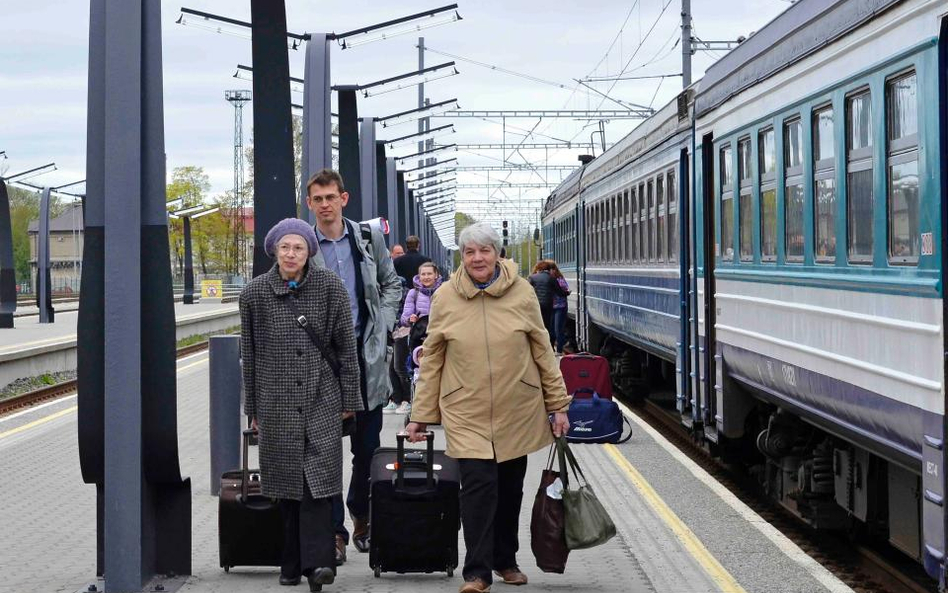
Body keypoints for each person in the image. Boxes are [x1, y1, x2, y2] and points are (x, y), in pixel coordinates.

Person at [406, 223, 571, 593]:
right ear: (461, 258)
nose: (477, 258)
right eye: (469, 252)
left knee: (510, 489)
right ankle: (476, 572)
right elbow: (432, 358)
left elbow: (543, 349)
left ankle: (505, 560)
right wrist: (420, 415)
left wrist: (558, 403)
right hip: (466, 408)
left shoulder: (522, 292)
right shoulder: (446, 296)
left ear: (497, 254)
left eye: (484, 251)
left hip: (517, 406)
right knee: (478, 489)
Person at [240, 218, 363, 592]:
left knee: (319, 482)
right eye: (284, 248)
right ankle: (291, 564)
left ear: (309, 251)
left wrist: (350, 399)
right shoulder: (255, 293)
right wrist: (253, 408)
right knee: (287, 488)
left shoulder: (330, 287)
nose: (291, 254)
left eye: (298, 248)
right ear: (274, 251)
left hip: (322, 397)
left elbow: (346, 346)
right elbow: (250, 353)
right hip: (275, 402)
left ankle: (317, 565)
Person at [305, 169, 402, 565]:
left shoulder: (366, 238)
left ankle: (361, 515)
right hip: (321, 366)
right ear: (309, 203)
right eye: (317, 199)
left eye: (331, 197)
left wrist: (387, 323)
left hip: (366, 363)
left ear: (343, 199)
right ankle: (333, 533)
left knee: (366, 449)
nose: (325, 204)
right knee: (324, 452)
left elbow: (391, 283)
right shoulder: (303, 244)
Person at [527, 260, 559, 344]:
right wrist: (566, 293)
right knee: (547, 326)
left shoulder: (532, 277)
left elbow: (526, 290)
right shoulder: (551, 278)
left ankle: (537, 343)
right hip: (548, 305)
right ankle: (548, 345)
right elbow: (559, 291)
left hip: (536, 305)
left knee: (537, 325)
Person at [549, 261, 571, 354]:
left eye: (552, 270)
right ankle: (554, 348)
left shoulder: (560, 279)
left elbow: (566, 289)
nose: (551, 272)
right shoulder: (549, 279)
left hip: (560, 307)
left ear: (554, 270)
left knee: (558, 329)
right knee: (552, 329)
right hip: (552, 307)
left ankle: (559, 350)